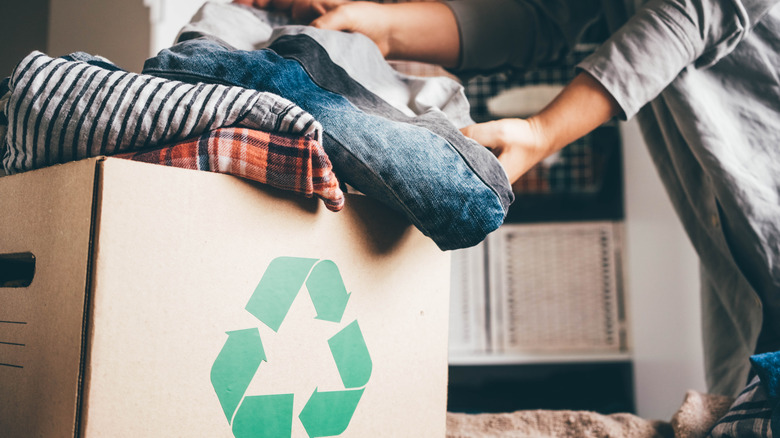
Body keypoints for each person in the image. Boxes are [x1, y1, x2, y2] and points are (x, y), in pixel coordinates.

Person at [235, 0, 780, 398]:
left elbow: (697, 11)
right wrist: (385, 27)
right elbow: (542, 19)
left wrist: (544, 132)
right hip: (736, 262)